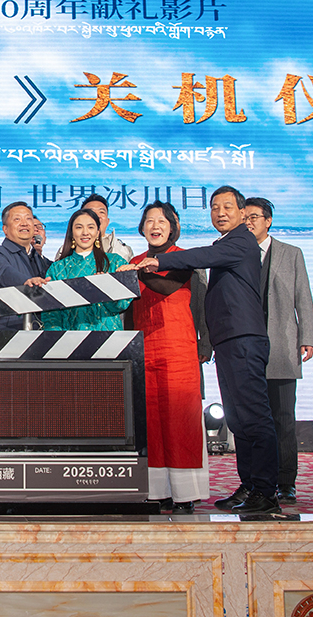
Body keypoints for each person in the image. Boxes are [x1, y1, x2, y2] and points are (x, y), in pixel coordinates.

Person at [129, 186, 279, 513]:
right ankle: (250, 486)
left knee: (255, 417)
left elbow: (200, 258)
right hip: (228, 341)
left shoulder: (241, 241)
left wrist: (157, 261)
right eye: (214, 207)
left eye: (227, 207)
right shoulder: (225, 243)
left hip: (243, 338)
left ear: (243, 213)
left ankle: (267, 492)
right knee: (239, 419)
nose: (220, 213)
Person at [120, 202, 208, 514]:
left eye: (162, 221)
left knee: (179, 418)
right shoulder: (134, 261)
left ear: (173, 226)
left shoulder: (184, 257)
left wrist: (139, 272)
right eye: (149, 221)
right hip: (144, 348)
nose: (155, 226)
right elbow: (128, 310)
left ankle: (185, 493)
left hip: (177, 347)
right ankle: (157, 492)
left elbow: (167, 286)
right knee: (150, 420)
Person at [244, 197, 313, 505]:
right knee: (250, 420)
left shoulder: (291, 253)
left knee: (284, 418)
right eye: (245, 218)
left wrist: (307, 337)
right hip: (246, 349)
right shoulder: (237, 252)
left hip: (282, 347)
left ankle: (286, 482)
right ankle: (253, 483)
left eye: (254, 217)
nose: (248, 222)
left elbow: (304, 297)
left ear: (268, 220)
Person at [41, 209, 130, 331]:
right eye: (79, 227)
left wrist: (107, 288)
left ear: (98, 232)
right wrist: (56, 339)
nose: (85, 232)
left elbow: (122, 305)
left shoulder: (115, 262)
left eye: (90, 227)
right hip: (70, 339)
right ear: (71, 233)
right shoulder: (57, 269)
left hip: (109, 337)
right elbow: (51, 315)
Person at [0, 201, 52, 329]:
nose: (24, 223)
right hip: (8, 330)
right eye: (17, 219)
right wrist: (26, 281)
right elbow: (4, 272)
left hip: (41, 329)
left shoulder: (43, 260)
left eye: (28, 219)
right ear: (5, 229)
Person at [56, 193, 133, 262]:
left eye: (101, 212)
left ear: (107, 221)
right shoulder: (64, 251)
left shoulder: (123, 250)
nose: (96, 216)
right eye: (91, 212)